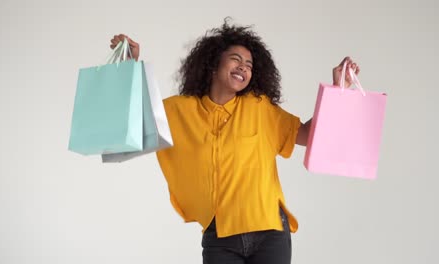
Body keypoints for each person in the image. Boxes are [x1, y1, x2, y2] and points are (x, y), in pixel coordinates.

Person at [109, 19, 360, 264]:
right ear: (213, 65)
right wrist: (129, 68)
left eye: (249, 65)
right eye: (236, 59)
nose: (243, 68)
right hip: (219, 235)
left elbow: (306, 135)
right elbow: (135, 125)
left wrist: (338, 91)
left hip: (269, 231)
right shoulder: (177, 111)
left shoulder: (259, 108)